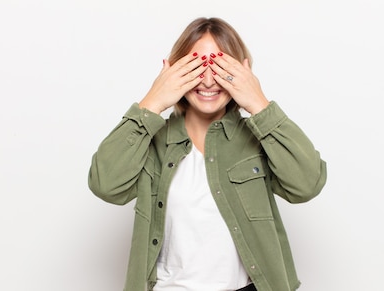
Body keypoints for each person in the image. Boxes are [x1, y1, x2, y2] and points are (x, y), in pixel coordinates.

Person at [88, 17, 327, 291]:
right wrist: (151, 102)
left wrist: (260, 105)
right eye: (197, 67)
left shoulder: (258, 139)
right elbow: (105, 185)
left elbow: (307, 185)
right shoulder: (152, 143)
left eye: (221, 67)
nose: (210, 81)